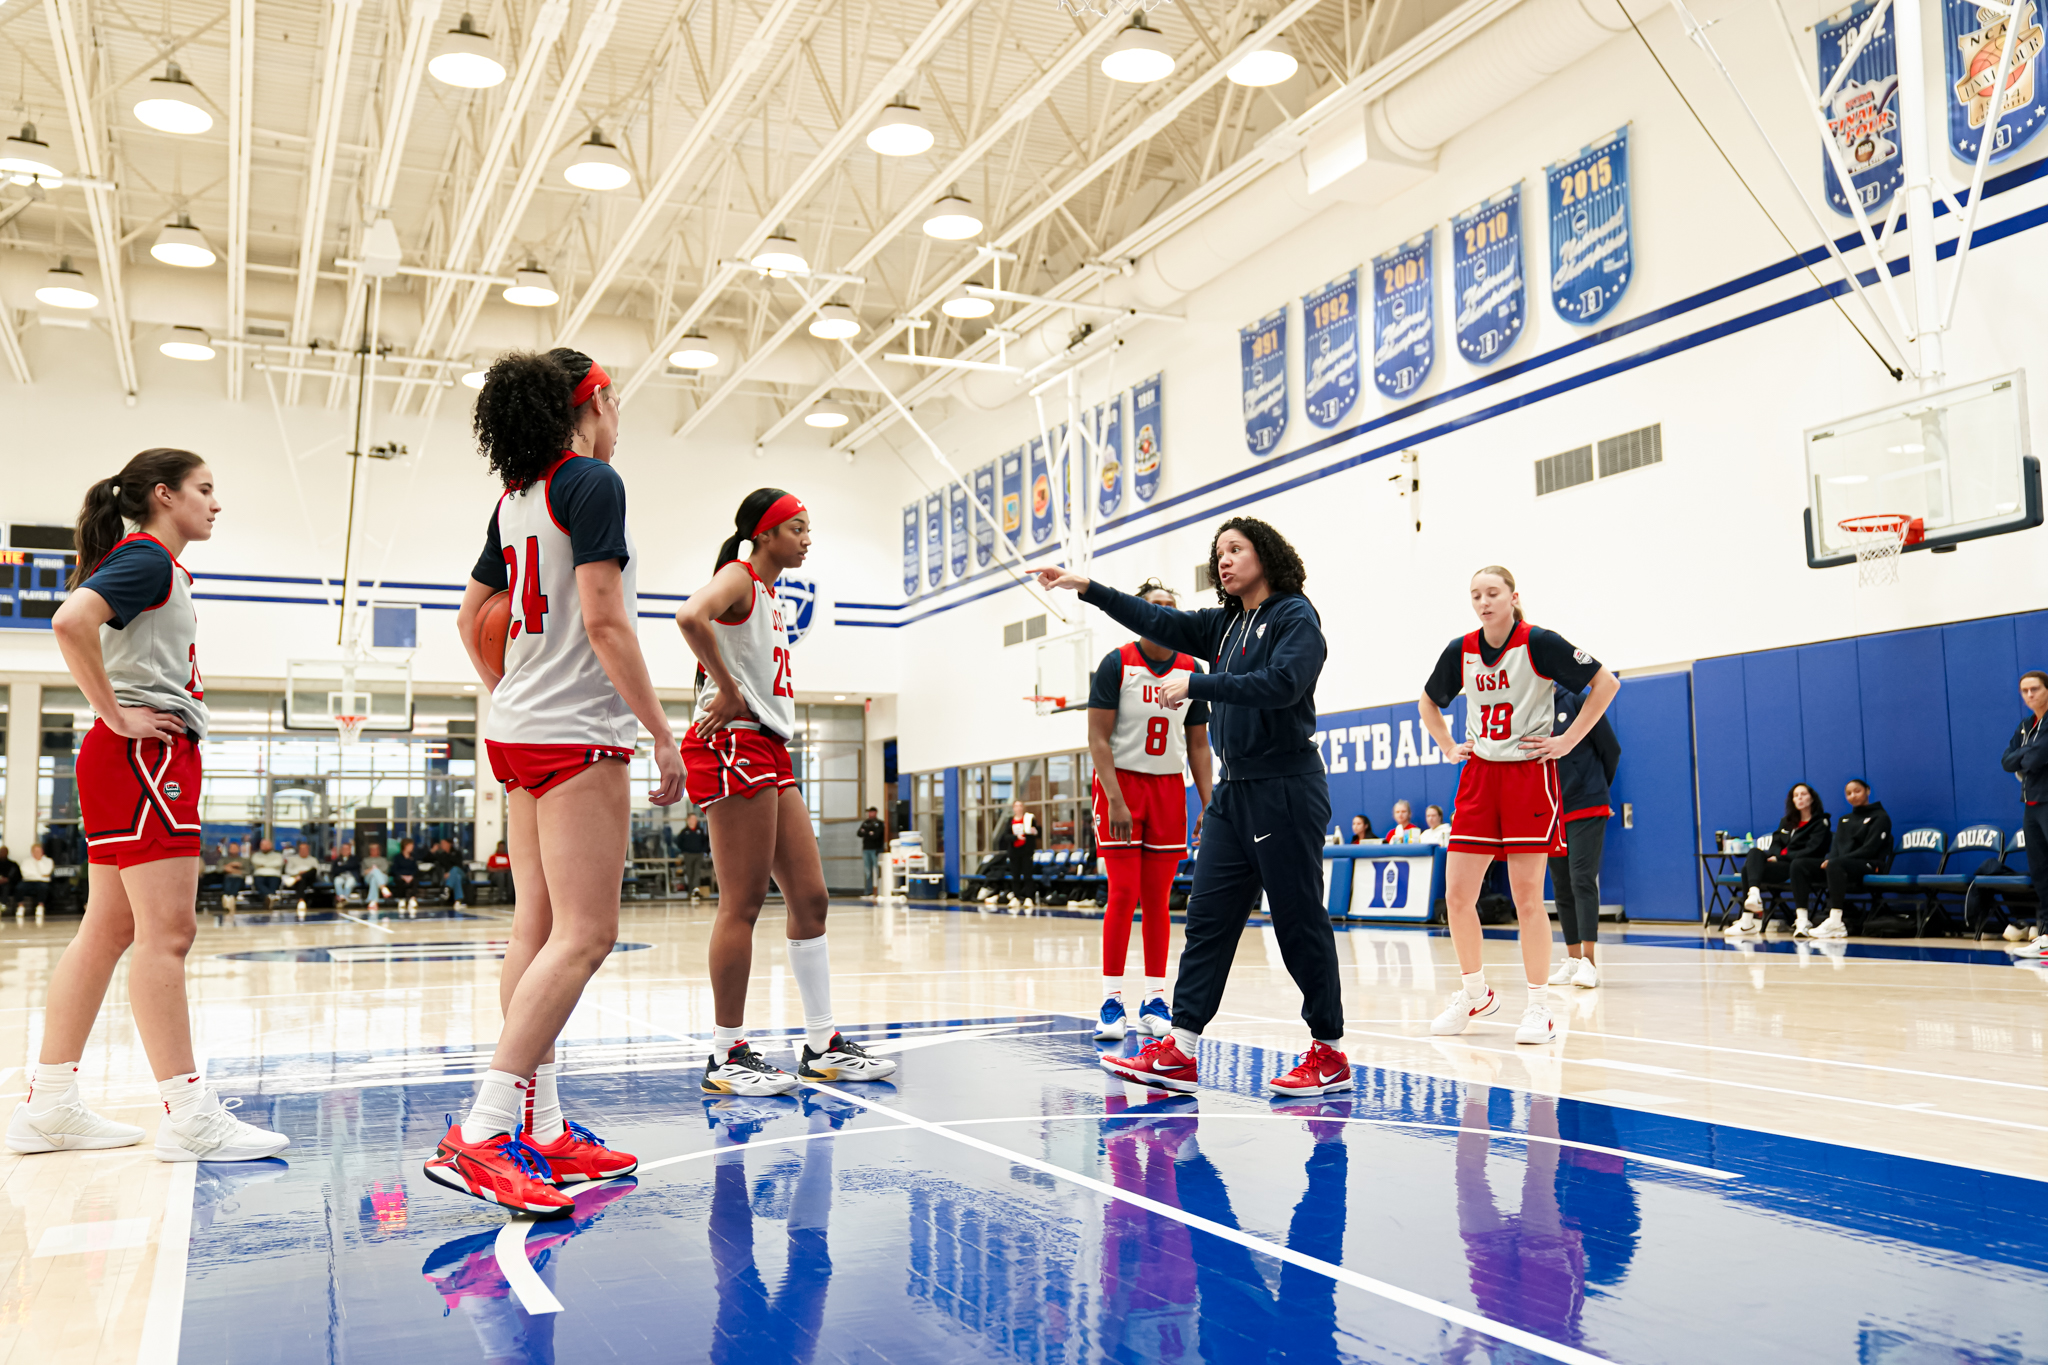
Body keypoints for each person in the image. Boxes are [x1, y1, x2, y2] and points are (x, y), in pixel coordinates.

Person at [430, 346, 685, 1216]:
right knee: (586, 934)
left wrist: (513, 688)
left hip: (516, 729)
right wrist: (662, 733)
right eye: (617, 404)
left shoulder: (515, 496)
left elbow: (471, 618)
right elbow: (607, 622)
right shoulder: (591, 482)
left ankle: (541, 1126)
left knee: (536, 928)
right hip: (576, 732)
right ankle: (483, 1128)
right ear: (596, 402)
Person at [7, 447, 287, 1162]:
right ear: (164, 494)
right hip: (144, 756)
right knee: (168, 933)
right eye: (204, 488)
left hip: (128, 757)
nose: (215, 503)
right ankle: (189, 1115)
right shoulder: (148, 559)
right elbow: (69, 621)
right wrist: (116, 714)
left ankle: (49, 1103)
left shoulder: (155, 564)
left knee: (108, 929)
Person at [1032, 515, 1350, 1098]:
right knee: (1206, 920)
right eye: (1218, 552)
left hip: (1285, 787)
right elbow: (1157, 620)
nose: (1223, 560)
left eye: (1236, 549)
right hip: (1233, 793)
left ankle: (1328, 1051)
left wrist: (1200, 686)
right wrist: (1088, 588)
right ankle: (1181, 1047)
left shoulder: (1295, 616)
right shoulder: (1225, 624)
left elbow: (1282, 684)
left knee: (1298, 921)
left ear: (1266, 555)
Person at [676, 487, 896, 1096]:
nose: (806, 538)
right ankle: (726, 1054)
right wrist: (727, 688)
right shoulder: (739, 576)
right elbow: (689, 616)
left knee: (811, 898)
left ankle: (822, 1046)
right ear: (765, 534)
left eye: (808, 528)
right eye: (796, 528)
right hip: (733, 743)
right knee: (742, 903)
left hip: (769, 746)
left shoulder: (771, 595)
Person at [1419, 565, 1618, 1046]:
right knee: (1457, 896)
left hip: (1528, 775)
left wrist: (1568, 740)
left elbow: (1606, 684)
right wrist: (1449, 746)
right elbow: (1428, 702)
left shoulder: (1539, 642)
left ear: (1512, 597)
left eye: (1492, 593)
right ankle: (1474, 993)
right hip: (1479, 777)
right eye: (1476, 595)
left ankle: (1538, 1007)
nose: (1484, 602)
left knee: (1527, 898)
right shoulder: (1461, 650)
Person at [1086, 578, 1214, 1044]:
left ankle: (1155, 999)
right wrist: (1115, 798)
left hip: (1167, 789)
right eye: (1155, 605)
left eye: (1170, 605)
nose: (1164, 612)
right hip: (1120, 785)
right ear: (1139, 614)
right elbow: (1097, 738)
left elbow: (1198, 744)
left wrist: (1209, 801)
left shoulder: (1192, 668)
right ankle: (1111, 1001)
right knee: (1123, 893)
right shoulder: (1117, 664)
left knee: (1158, 899)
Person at [1544, 681, 1621, 989]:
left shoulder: (1576, 700)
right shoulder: (1528, 712)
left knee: (1581, 880)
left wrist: (1598, 790)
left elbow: (1611, 749)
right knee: (1561, 886)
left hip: (1586, 805)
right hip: (1551, 811)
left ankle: (1589, 962)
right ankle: (1573, 960)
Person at [1726, 783, 1831, 935]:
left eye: (1803, 794)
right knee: (1752, 857)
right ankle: (1750, 908)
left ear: (1812, 798)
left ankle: (1801, 920)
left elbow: (1812, 850)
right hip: (1781, 865)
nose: (1799, 798)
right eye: (1796, 795)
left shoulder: (1820, 822)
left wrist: (1780, 857)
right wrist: (1775, 855)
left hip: (1800, 866)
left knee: (1791, 865)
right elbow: (1775, 843)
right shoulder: (1787, 822)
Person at [2003, 670, 2048, 955]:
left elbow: (2036, 757)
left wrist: (2024, 754)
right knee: (2040, 870)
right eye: (2024, 691)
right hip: (2030, 806)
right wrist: (2025, 753)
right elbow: (2007, 761)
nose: (2029, 695)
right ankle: (2046, 933)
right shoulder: (2025, 725)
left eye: (2035, 689)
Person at [1814, 779, 1890, 941]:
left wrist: (1836, 861)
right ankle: (1802, 920)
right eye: (1848, 793)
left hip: (1871, 865)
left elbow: (1870, 849)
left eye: (1857, 791)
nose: (1853, 796)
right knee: (1800, 864)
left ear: (1867, 791)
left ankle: (1836, 921)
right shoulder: (1844, 820)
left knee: (1835, 863)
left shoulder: (1880, 817)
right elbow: (1836, 848)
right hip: (1843, 865)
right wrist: (1831, 859)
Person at [993, 801, 1041, 907]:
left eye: (1020, 806)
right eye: (1016, 806)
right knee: (1015, 875)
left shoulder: (1029, 819)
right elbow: (1006, 836)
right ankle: (1016, 897)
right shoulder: (1010, 821)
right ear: (1013, 808)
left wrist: (1034, 831)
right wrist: (1016, 837)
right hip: (1014, 852)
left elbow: (1038, 832)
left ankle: (1029, 897)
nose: (1018, 808)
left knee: (1028, 875)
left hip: (1026, 851)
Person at [675, 814, 711, 899]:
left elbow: (705, 841)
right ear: (688, 820)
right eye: (692, 819)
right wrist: (684, 850)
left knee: (697, 873)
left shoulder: (700, 831)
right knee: (690, 873)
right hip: (688, 855)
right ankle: (690, 891)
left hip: (698, 854)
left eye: (695, 819)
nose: (694, 821)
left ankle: (696, 890)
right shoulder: (684, 832)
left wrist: (704, 850)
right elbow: (678, 842)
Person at [16, 844, 53, 917]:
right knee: (19, 888)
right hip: (28, 881)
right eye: (36, 851)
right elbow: (25, 873)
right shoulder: (26, 861)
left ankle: (40, 907)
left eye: (39, 851)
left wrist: (39, 862)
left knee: (43, 888)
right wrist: (40, 875)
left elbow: (46, 872)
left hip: (42, 881)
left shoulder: (48, 861)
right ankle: (20, 907)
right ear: (32, 852)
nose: (37, 853)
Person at [857, 807, 887, 896]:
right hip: (866, 849)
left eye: (872, 812)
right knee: (868, 871)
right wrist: (869, 832)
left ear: (876, 813)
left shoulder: (879, 823)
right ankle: (868, 890)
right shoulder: (866, 823)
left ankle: (880, 890)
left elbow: (876, 835)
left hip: (876, 849)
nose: (870, 814)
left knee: (877, 869)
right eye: (869, 812)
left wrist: (866, 832)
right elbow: (859, 833)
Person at [283, 841, 321, 905]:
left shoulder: (313, 859)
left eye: (305, 849)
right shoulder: (292, 859)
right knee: (302, 880)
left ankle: (300, 878)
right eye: (302, 849)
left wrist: (305, 873)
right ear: (299, 850)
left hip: (310, 879)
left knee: (313, 870)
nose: (304, 851)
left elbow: (317, 871)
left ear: (308, 850)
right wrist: (299, 872)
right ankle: (301, 900)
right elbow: (288, 870)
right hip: (297, 878)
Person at [249, 837, 284, 904]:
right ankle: (271, 897)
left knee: (273, 885)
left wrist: (263, 864)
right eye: (263, 845)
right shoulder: (255, 855)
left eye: (266, 845)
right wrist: (271, 864)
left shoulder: (278, 855)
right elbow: (255, 862)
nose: (264, 847)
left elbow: (279, 863)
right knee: (259, 884)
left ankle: (269, 899)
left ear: (271, 845)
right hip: (259, 875)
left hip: (274, 875)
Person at [391, 838, 421, 911]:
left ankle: (412, 898)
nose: (412, 847)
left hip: (411, 876)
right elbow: (394, 869)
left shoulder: (413, 857)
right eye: (411, 845)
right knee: (399, 881)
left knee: (415, 880)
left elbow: (415, 869)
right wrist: (402, 876)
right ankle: (402, 899)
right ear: (405, 846)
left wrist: (411, 876)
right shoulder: (397, 857)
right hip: (401, 876)